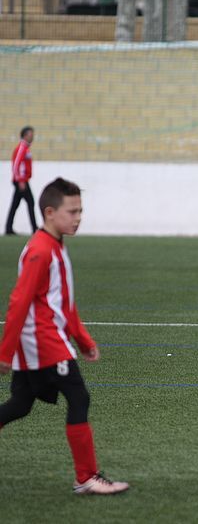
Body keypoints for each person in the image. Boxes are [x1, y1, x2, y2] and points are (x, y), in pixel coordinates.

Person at [0, 177, 129, 495]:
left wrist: (84, 340)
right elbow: (19, 302)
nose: (78, 218)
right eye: (72, 211)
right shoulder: (41, 250)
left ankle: (86, 477)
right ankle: (86, 477)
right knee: (79, 397)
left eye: (80, 211)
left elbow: (64, 304)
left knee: (20, 405)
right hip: (42, 341)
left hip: (43, 339)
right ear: (49, 213)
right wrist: (5, 352)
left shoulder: (55, 245)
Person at [5, 126, 38, 236]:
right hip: (21, 181)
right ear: (24, 136)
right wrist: (20, 180)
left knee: (15, 204)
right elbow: (16, 165)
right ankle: (34, 228)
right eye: (30, 135)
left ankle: (8, 228)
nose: (32, 137)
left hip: (22, 180)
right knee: (31, 202)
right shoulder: (21, 148)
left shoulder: (26, 148)